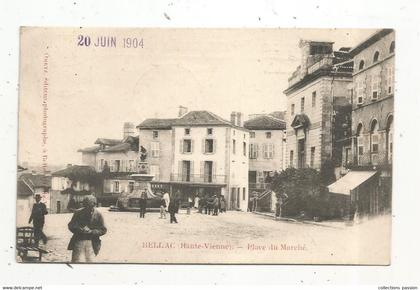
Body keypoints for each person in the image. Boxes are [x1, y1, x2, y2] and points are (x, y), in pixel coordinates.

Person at [67, 195, 107, 263]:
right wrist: (78, 229)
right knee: (76, 261)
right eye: (86, 205)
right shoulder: (78, 213)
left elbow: (103, 230)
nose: (87, 208)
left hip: (92, 242)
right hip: (78, 241)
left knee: (90, 262)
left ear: (94, 204)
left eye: (90, 205)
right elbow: (71, 225)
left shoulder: (98, 214)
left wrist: (92, 232)